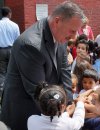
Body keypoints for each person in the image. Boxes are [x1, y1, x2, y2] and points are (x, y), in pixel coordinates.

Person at [0, 1, 85, 130]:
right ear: (57, 21)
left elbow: (64, 71)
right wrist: (62, 115)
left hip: (49, 109)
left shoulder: (60, 34)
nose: (74, 37)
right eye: (72, 31)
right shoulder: (31, 45)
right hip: (26, 113)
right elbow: (37, 91)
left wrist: (68, 103)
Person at [0, 7, 20, 92]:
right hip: (12, 49)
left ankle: (2, 90)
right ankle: (12, 89)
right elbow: (18, 40)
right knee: (12, 70)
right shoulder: (14, 25)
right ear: (9, 14)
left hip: (1, 50)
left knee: (2, 72)